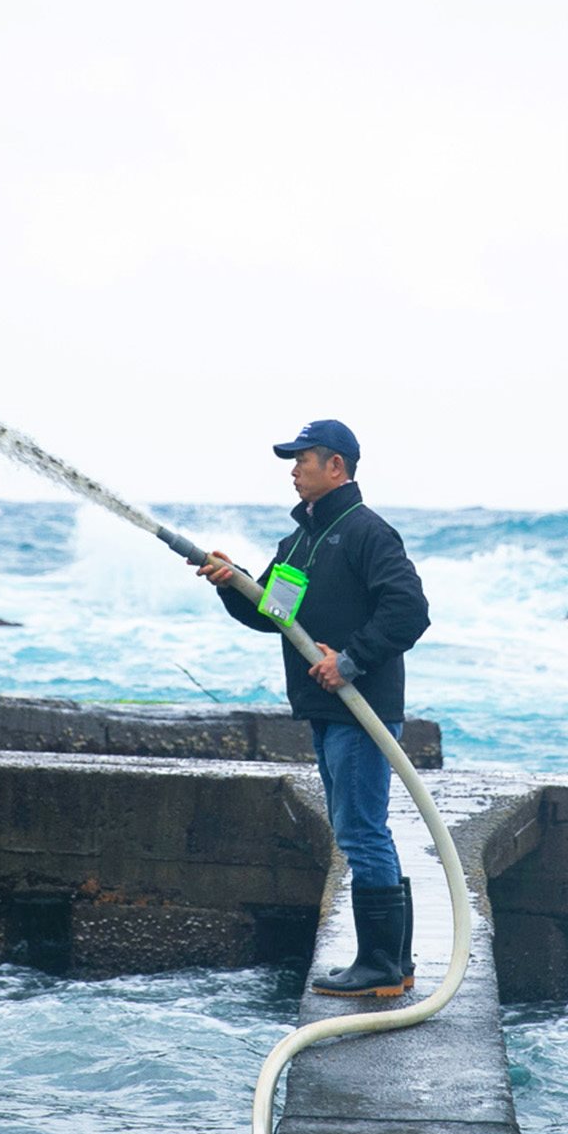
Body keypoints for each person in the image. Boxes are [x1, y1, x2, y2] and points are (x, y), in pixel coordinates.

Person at [199, 419, 430, 998]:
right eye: (293, 460)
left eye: (304, 459)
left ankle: (379, 966)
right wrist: (233, 583)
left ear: (338, 466)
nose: (294, 469)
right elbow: (272, 613)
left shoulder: (366, 533)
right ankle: (392, 964)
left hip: (360, 707)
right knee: (361, 830)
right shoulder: (301, 540)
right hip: (324, 711)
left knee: (360, 833)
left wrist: (349, 661)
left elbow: (409, 610)